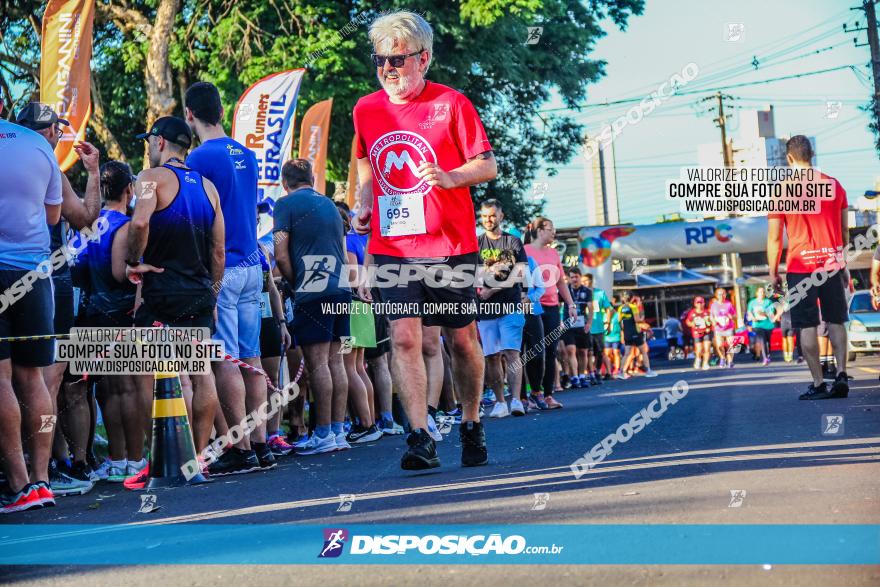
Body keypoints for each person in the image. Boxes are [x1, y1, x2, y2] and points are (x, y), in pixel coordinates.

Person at [351, 11, 496, 470]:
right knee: (405, 337)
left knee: (462, 341)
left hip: (449, 243)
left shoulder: (452, 103)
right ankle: (419, 436)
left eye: (397, 60)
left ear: (424, 57)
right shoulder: (366, 108)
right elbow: (365, 163)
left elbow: (487, 165)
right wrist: (362, 203)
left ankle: (471, 422)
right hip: (394, 245)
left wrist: (451, 176)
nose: (388, 70)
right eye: (380, 61)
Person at [125, 116, 225, 486]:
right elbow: (218, 251)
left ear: (161, 142)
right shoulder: (210, 188)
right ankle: (196, 460)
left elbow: (138, 224)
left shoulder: (150, 179)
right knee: (201, 372)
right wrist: (212, 293)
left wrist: (134, 262)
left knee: (153, 375)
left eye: (149, 141)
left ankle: (161, 458)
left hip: (162, 291)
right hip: (198, 292)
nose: (148, 148)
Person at [184, 81, 275, 470]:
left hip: (223, 268)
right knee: (251, 359)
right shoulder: (246, 154)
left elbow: (198, 215)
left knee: (226, 360)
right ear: (221, 111)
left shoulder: (200, 158)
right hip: (253, 265)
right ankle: (260, 444)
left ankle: (240, 449)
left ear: (190, 115)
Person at [15, 102, 102, 496]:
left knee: (23, 380)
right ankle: (44, 469)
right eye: (55, 130)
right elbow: (86, 217)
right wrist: (95, 173)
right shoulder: (48, 165)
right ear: (42, 132)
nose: (58, 137)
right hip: (49, 282)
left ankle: (32, 469)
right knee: (46, 383)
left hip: (23, 279)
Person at [0, 105, 63, 513]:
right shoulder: (39, 145)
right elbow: (53, 214)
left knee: (1, 378)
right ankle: (41, 480)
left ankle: (19, 485)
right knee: (34, 378)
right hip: (34, 273)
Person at [274, 159, 351, 455]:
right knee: (336, 362)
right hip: (341, 287)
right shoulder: (331, 205)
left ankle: (322, 434)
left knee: (318, 363)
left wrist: (296, 284)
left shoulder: (285, 204)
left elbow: (281, 254)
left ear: (285, 183)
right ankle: (336, 431)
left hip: (314, 290)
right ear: (312, 178)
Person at [767, 135, 850, 400]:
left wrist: (773, 271)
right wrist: (843, 262)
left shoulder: (781, 190)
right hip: (832, 263)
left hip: (800, 266)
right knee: (837, 320)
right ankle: (841, 375)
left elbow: (775, 237)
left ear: (789, 158)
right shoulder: (834, 185)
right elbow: (844, 230)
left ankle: (817, 383)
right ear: (811, 155)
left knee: (807, 325)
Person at [81, 162, 143, 482]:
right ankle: (134, 458)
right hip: (120, 314)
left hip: (92, 313)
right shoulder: (124, 226)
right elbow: (124, 274)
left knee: (107, 389)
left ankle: (117, 459)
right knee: (127, 388)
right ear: (128, 190)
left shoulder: (89, 223)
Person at [476, 199, 528, 417]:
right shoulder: (476, 243)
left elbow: (519, 273)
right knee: (491, 356)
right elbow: (472, 274)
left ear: (501, 216)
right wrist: (479, 289)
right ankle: (499, 402)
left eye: (493, 215)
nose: (489, 220)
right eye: (485, 216)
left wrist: (492, 290)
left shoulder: (513, 242)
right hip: (485, 311)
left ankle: (516, 400)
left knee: (512, 354)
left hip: (510, 306)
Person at [524, 217, 577, 408]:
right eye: (551, 229)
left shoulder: (554, 253)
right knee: (532, 352)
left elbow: (561, 281)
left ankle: (547, 395)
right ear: (539, 230)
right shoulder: (524, 251)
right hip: (531, 307)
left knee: (551, 351)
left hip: (553, 306)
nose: (554, 232)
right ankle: (528, 395)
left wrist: (570, 304)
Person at [561, 267, 592, 388]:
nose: (574, 279)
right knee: (571, 350)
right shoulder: (564, 290)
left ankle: (582, 376)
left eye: (576, 277)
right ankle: (574, 377)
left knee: (583, 351)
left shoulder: (587, 291)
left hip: (582, 324)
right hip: (568, 325)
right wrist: (560, 321)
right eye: (572, 277)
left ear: (580, 277)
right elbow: (557, 305)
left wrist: (589, 323)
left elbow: (591, 308)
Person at [617, 291, 657, 378]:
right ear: (631, 298)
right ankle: (648, 371)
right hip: (635, 332)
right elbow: (637, 320)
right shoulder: (633, 306)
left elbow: (619, 321)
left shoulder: (620, 308)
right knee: (644, 351)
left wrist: (622, 333)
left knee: (627, 353)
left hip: (627, 333)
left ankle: (621, 372)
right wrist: (643, 321)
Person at [584, 273, 612, 381]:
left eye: (586, 280)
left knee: (600, 352)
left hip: (599, 327)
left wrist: (608, 323)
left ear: (591, 280)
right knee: (588, 352)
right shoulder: (581, 293)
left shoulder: (600, 293)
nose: (584, 283)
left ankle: (597, 370)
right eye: (583, 281)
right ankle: (591, 373)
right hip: (586, 328)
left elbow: (608, 309)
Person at [747, 287, 776, 366]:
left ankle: (768, 354)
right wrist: (753, 318)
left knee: (767, 341)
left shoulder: (768, 302)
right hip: (757, 325)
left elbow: (771, 314)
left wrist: (763, 313)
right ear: (757, 293)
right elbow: (749, 312)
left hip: (768, 325)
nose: (762, 293)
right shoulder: (752, 302)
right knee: (762, 340)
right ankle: (765, 358)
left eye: (763, 292)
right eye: (760, 292)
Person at [710, 287, 737, 368]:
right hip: (718, 328)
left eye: (723, 294)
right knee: (719, 345)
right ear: (716, 295)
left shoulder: (729, 304)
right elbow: (711, 316)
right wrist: (713, 321)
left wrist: (731, 316)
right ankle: (722, 358)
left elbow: (735, 315)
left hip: (729, 328)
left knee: (730, 346)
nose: (721, 295)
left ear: (725, 295)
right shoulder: (714, 305)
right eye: (719, 294)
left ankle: (730, 361)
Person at [684, 296, 713, 370]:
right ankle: (698, 359)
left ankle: (705, 363)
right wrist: (692, 324)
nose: (700, 305)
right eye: (698, 303)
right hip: (697, 333)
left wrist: (709, 328)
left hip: (706, 332)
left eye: (701, 303)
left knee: (707, 348)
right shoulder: (692, 312)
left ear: (703, 303)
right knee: (699, 349)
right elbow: (687, 321)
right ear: (695, 304)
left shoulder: (707, 312)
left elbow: (712, 321)